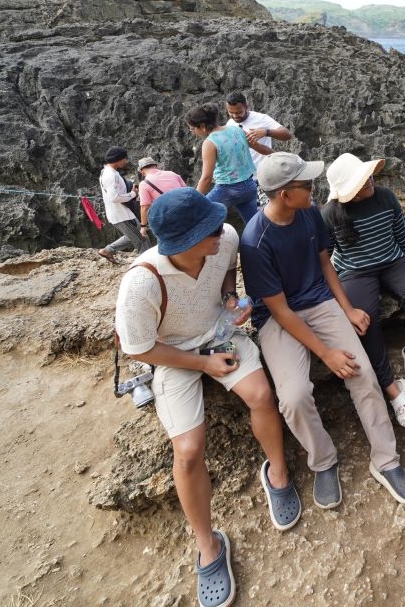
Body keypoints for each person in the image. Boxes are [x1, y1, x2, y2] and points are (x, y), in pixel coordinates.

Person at [115, 187, 301, 607]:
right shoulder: (143, 282)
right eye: (210, 228)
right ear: (181, 243)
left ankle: (278, 474)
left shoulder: (226, 240)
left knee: (261, 395)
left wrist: (232, 300)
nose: (222, 229)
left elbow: (224, 280)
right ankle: (208, 544)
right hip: (173, 353)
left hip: (218, 333)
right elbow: (139, 347)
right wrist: (201, 364)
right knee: (189, 450)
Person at [240, 152, 405, 508]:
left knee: (364, 374)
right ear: (283, 195)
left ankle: (386, 460)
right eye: (305, 185)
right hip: (279, 317)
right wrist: (326, 353)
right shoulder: (254, 241)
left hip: (321, 302)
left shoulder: (308, 214)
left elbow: (325, 264)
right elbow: (280, 309)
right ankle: (323, 461)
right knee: (292, 396)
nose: (313, 189)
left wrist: (348, 308)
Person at [320, 153, 405, 430]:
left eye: (367, 176)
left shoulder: (385, 197)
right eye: (360, 182)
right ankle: (392, 386)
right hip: (355, 270)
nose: (369, 182)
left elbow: (401, 234)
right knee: (363, 319)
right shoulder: (330, 214)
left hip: (392, 260)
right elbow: (326, 256)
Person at [186, 103, 269, 228]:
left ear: (202, 126)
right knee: (254, 225)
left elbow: (207, 178)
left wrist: (195, 200)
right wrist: (282, 156)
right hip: (250, 186)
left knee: (197, 214)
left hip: (227, 190)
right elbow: (260, 148)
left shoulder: (210, 142)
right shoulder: (237, 129)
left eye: (192, 129)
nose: (192, 132)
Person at [98, 146, 149, 263]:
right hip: (121, 215)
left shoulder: (106, 172)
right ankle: (145, 264)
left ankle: (108, 250)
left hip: (123, 213)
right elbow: (114, 197)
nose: (125, 161)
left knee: (135, 234)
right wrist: (132, 194)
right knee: (142, 240)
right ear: (118, 159)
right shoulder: (111, 175)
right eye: (124, 158)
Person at [226, 93, 293, 167]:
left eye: (238, 112)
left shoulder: (261, 118)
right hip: (243, 173)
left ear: (246, 107)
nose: (235, 116)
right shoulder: (230, 124)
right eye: (231, 113)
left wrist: (266, 132)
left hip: (263, 170)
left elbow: (287, 135)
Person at [137, 157, 186, 241]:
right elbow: (185, 190)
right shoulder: (172, 173)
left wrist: (143, 227)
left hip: (169, 217)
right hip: (186, 209)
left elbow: (145, 207)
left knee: (168, 241)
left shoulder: (144, 184)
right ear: (156, 166)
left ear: (142, 172)